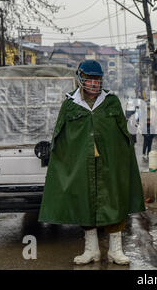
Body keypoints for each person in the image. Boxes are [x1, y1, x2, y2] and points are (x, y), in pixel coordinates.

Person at [38, 60, 145, 265]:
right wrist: (63, 163)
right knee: (85, 204)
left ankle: (116, 250)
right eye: (90, 79)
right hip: (81, 164)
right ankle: (91, 250)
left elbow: (122, 134)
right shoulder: (70, 104)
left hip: (110, 163)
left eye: (97, 79)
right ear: (81, 79)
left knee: (114, 202)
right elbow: (61, 137)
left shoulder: (111, 101)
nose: (94, 84)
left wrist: (123, 161)